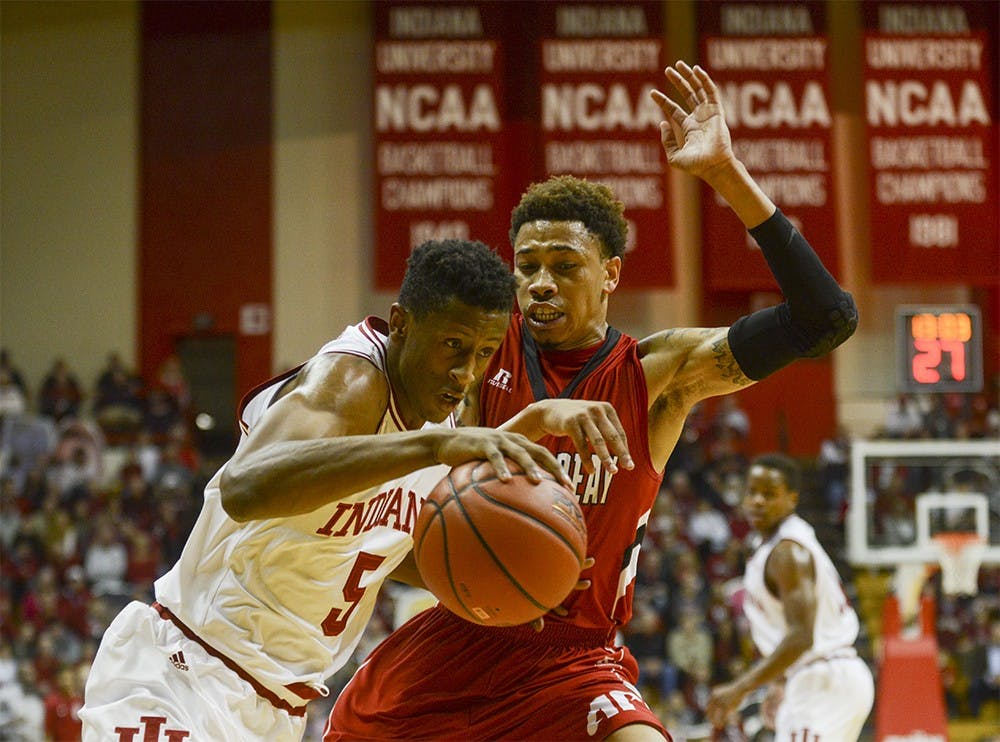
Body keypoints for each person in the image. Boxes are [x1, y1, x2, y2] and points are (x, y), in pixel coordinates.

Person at [326, 60, 858, 741]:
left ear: (610, 273)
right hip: (460, 639)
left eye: (564, 266)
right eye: (527, 266)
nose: (540, 283)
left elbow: (826, 318)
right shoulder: (480, 348)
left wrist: (725, 174)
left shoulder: (657, 372)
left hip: (576, 658)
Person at [79, 238, 622, 741]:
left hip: (278, 712)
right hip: (184, 672)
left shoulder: (440, 427)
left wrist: (522, 578)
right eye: (452, 345)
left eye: (482, 353)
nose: (464, 373)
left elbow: (406, 550)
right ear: (402, 325)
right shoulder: (351, 381)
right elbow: (244, 487)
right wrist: (432, 452)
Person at [706, 453, 874, 739]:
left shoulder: (788, 553)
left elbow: (802, 637)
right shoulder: (772, 545)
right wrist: (780, 681)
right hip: (821, 678)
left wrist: (740, 688)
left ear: (792, 499)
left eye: (769, 494)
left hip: (824, 680)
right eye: (752, 492)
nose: (758, 501)